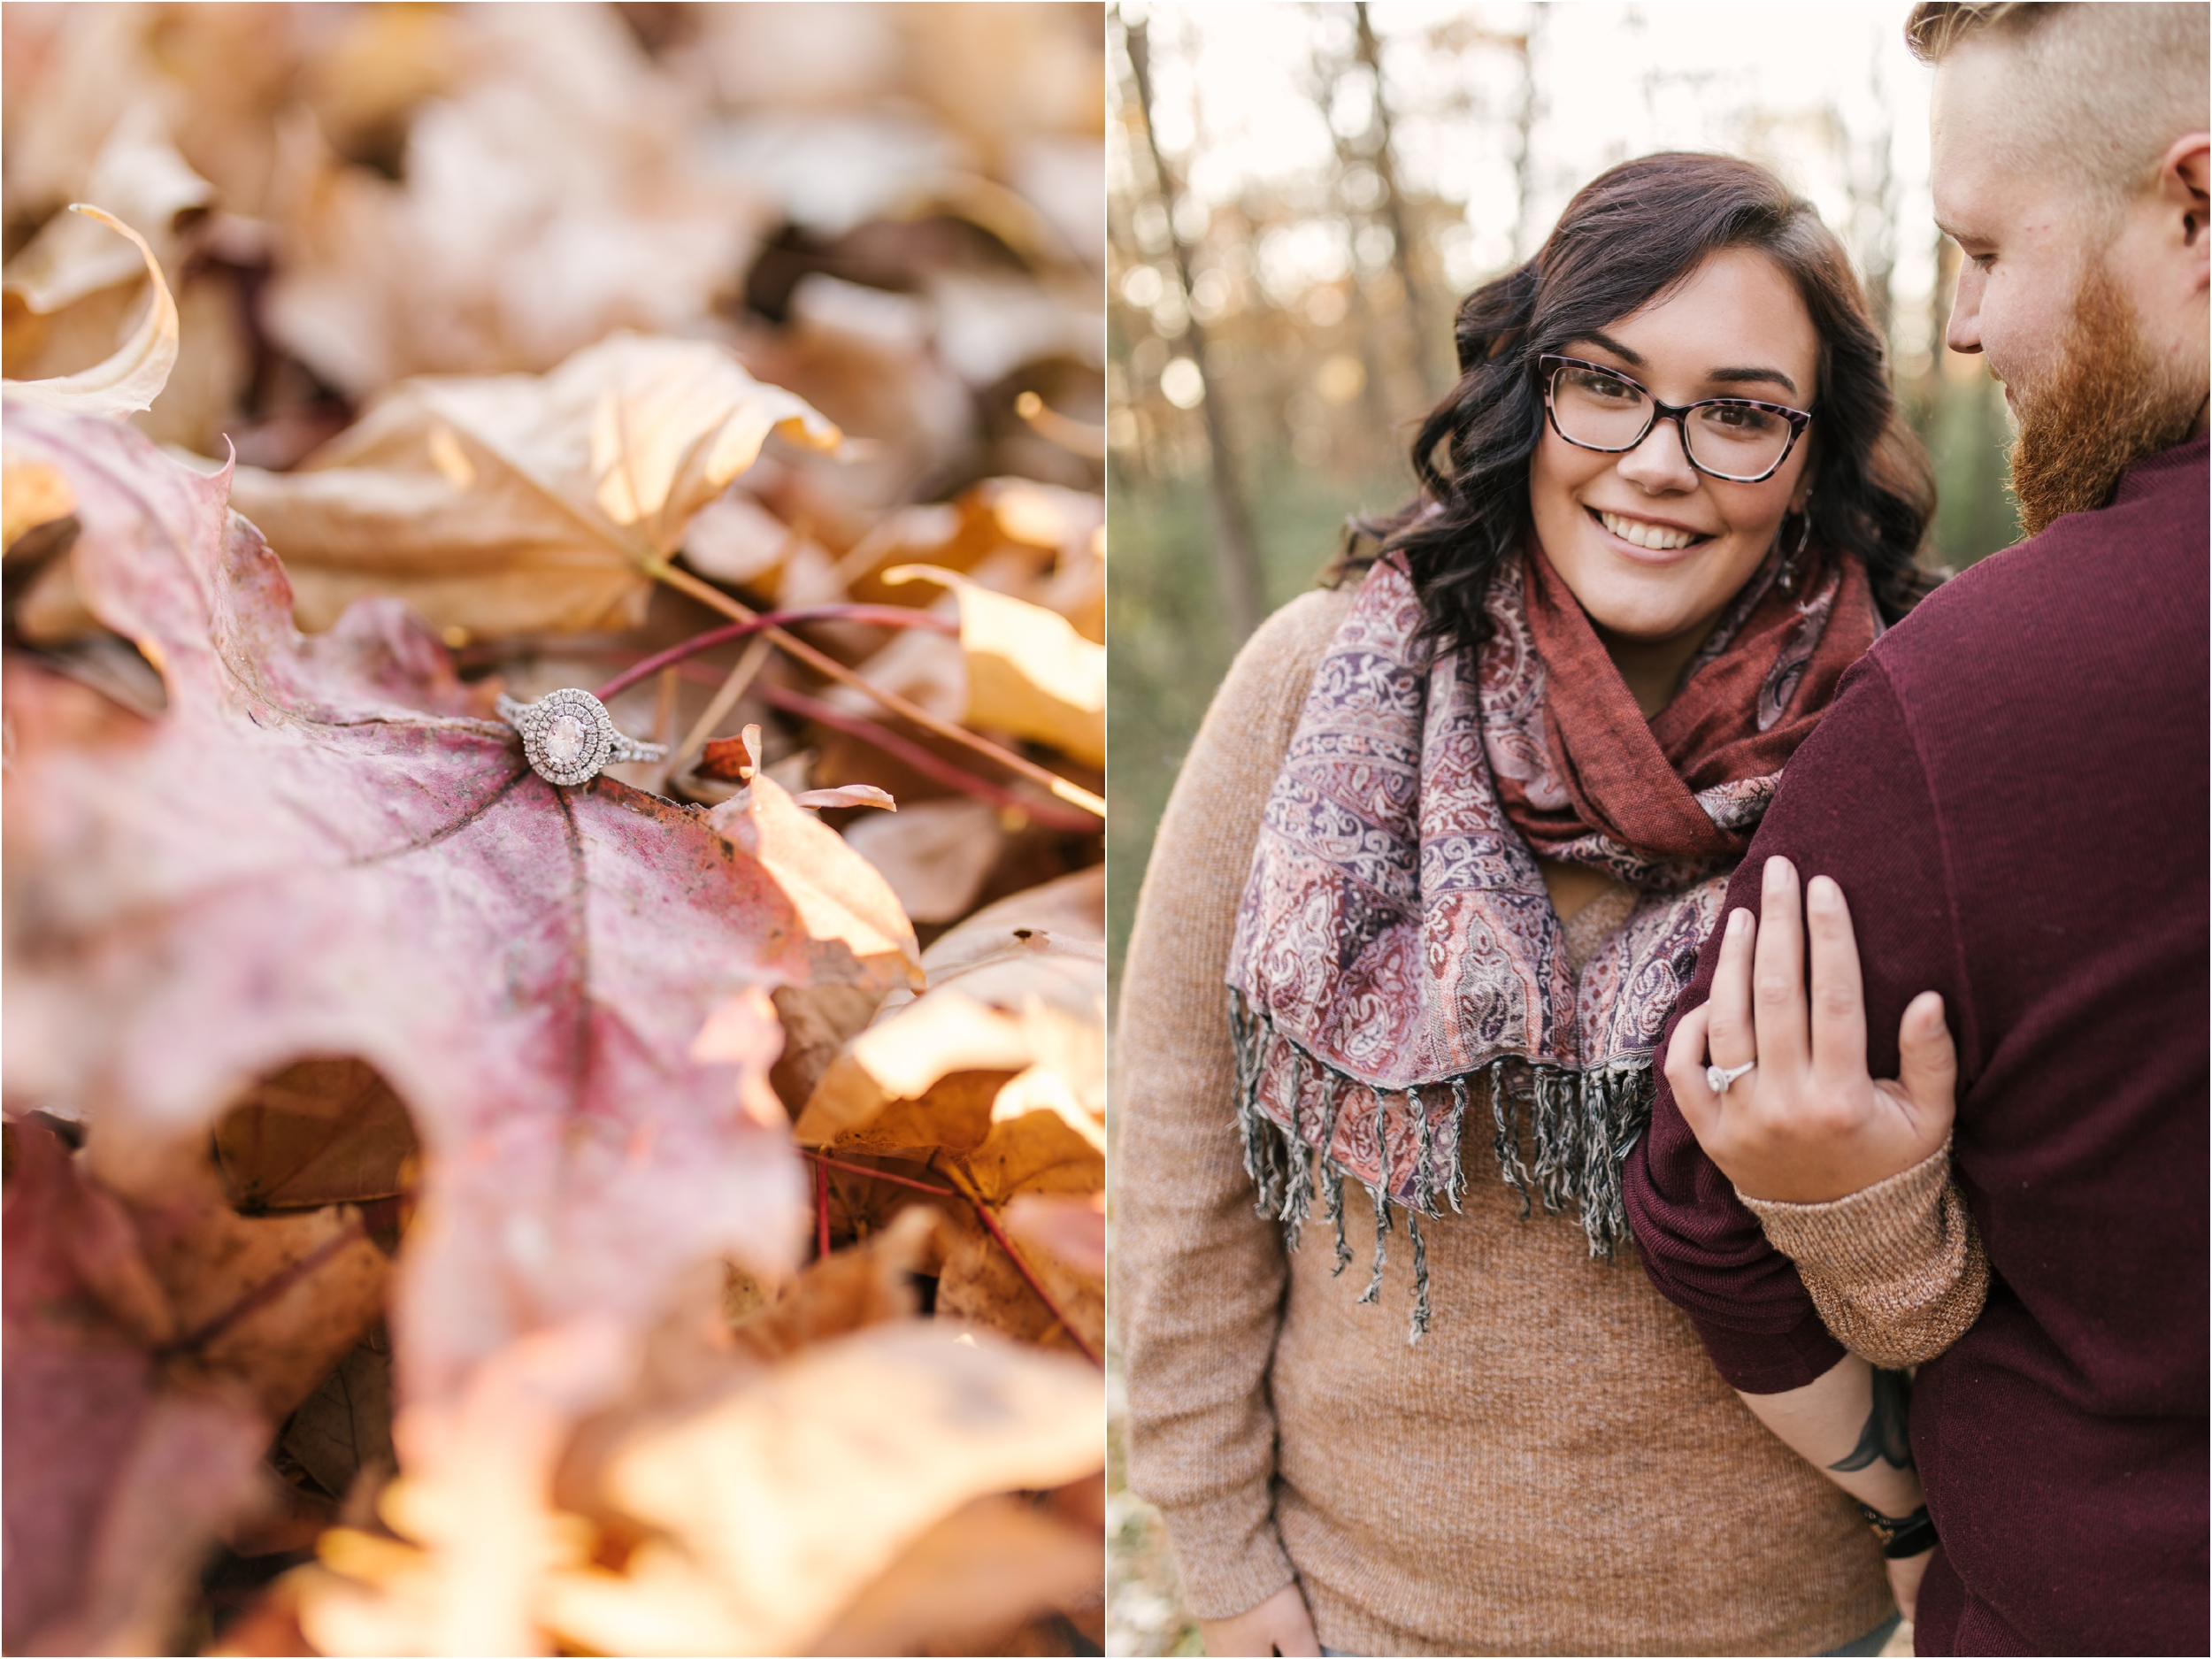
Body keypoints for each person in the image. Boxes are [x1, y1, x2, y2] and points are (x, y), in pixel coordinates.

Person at [1116, 151, 1943, 1657]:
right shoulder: (1316, 684)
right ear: (1528, 390)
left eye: (1742, 412)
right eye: (1606, 383)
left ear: (1817, 453)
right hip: (1367, 1613)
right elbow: (1179, 1120)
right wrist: (1222, 1564)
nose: (1658, 460)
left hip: (1794, 1627)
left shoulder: (1909, 738)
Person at [1624, 5, 2209, 1655]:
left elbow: (1701, 1194)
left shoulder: (1966, 702)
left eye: (1985, 247)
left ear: (2197, 208)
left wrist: (1876, 1254)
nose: (1967, 324)